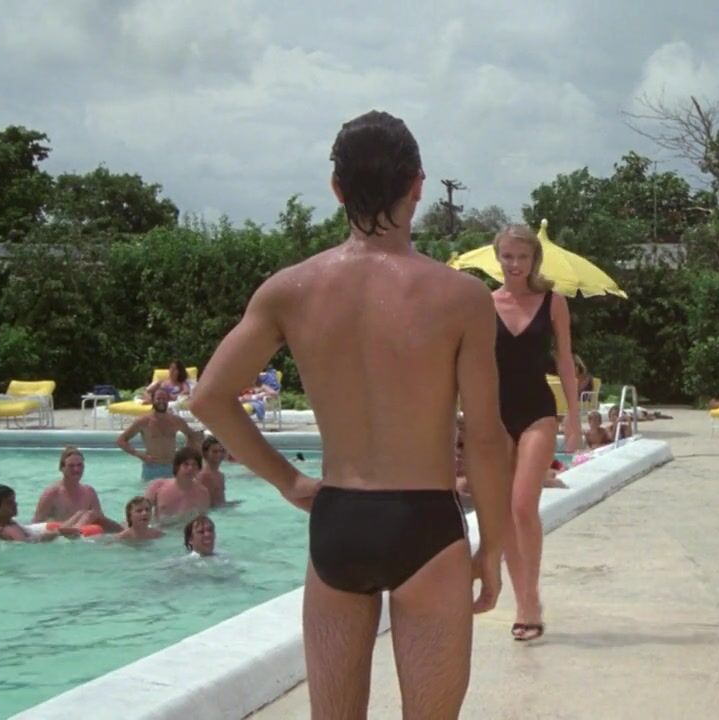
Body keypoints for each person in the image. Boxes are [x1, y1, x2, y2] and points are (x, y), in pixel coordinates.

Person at [189, 110, 511, 719]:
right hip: (426, 522)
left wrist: (289, 481)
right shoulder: (462, 297)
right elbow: (487, 438)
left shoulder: (290, 289)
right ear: (418, 185)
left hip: (338, 520)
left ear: (337, 189)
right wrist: (493, 547)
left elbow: (209, 397)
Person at [491, 222, 582, 642]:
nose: (515, 264)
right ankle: (524, 601)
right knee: (506, 513)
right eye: (508, 256)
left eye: (522, 256)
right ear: (498, 257)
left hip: (538, 413)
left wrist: (574, 417)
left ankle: (530, 600)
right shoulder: (484, 303)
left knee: (523, 505)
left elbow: (565, 361)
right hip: (495, 415)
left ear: (534, 259)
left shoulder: (552, 302)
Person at [117, 387, 203, 481]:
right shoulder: (143, 421)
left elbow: (192, 436)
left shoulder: (176, 421)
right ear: (153, 400)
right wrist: (139, 454)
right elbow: (121, 440)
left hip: (172, 467)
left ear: (168, 400)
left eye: (164, 399)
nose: (161, 401)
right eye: (158, 399)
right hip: (152, 467)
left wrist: (184, 455)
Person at [32, 447, 123, 532]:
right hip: (60, 537)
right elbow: (35, 526)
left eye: (80, 465)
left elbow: (100, 520)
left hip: (83, 537)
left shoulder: (89, 492)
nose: (76, 469)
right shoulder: (52, 494)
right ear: (61, 468)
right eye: (71, 466)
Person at [0, 484, 80, 542]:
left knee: (82, 515)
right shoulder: (5, 529)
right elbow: (29, 544)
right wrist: (58, 533)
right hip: (33, 532)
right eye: (9, 502)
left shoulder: (3, 521)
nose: (15, 504)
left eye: (14, 500)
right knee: (81, 517)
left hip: (31, 529)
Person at [145, 447, 212, 525]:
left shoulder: (203, 493)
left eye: (194, 465)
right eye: (186, 464)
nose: (190, 468)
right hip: (161, 531)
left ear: (199, 468)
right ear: (177, 466)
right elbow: (140, 514)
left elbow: (202, 524)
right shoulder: (158, 486)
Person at [196, 435, 233, 506]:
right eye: (215, 451)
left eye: (221, 451)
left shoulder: (221, 475)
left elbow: (221, 501)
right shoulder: (204, 476)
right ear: (205, 453)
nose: (219, 454)